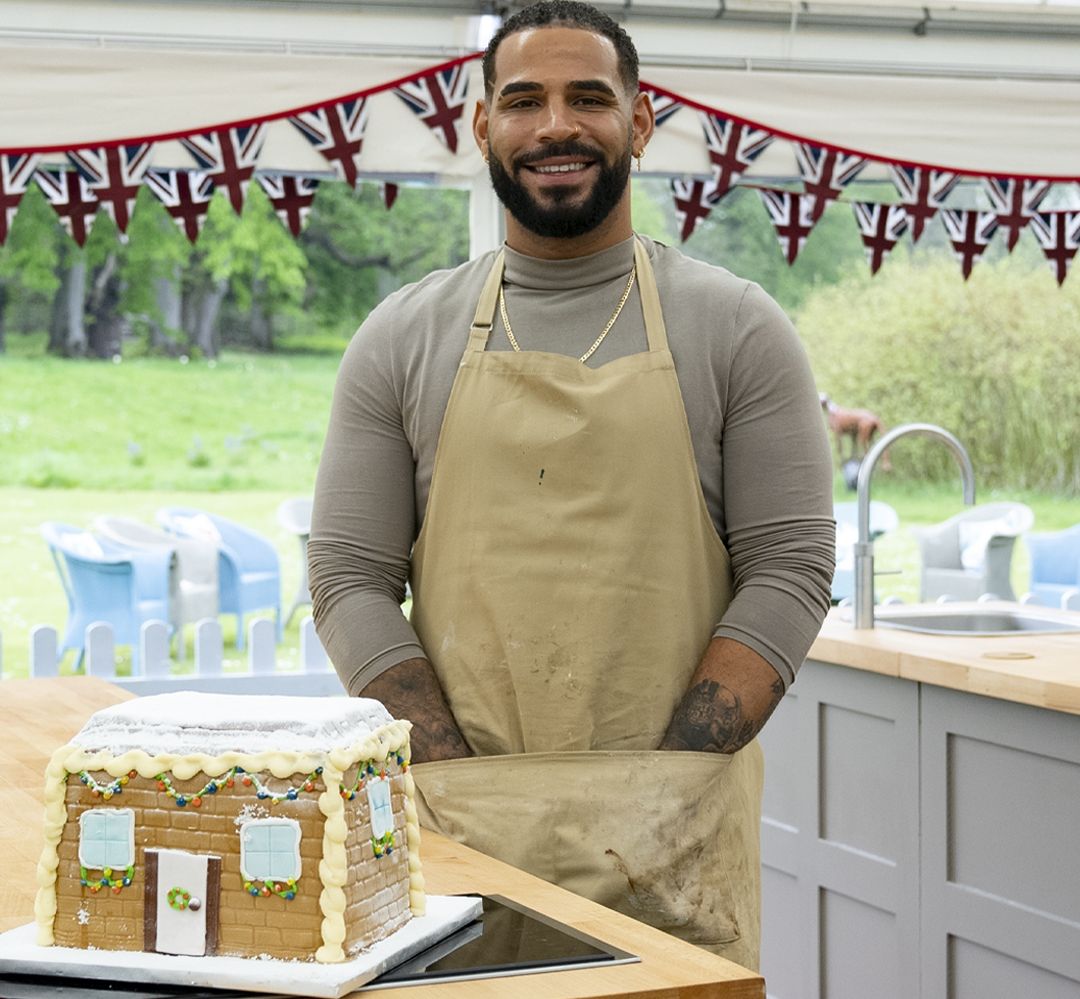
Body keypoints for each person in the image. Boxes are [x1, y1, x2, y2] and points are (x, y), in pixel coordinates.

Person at [309, 0, 834, 971]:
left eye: (588, 98)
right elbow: (347, 575)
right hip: (457, 834)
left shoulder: (738, 328)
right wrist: (465, 787)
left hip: (675, 841)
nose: (557, 125)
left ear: (637, 122)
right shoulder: (400, 337)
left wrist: (666, 781)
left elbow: (792, 568)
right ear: (483, 129)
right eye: (524, 100)